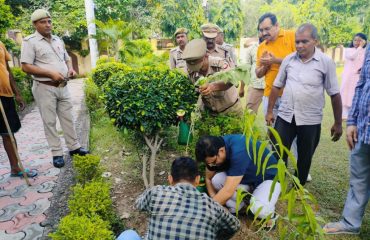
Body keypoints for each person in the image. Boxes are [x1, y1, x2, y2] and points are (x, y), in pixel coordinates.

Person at [265, 23, 343, 185]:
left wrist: (337, 123)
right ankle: (274, 184)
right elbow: (276, 86)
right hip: (286, 116)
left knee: (305, 156)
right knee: (278, 153)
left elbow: (334, 94)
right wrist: (270, 111)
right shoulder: (288, 60)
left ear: (315, 41)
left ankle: (298, 188)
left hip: (310, 119)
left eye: (304, 41)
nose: (299, 45)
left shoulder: (325, 62)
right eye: (297, 41)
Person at [20, 9, 88, 168]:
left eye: (49, 21)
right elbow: (25, 66)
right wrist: (50, 73)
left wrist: (70, 69)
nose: (47, 24)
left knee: (68, 118)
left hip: (63, 86)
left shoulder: (58, 39)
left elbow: (67, 58)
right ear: (35, 24)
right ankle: (57, 153)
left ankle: (74, 147)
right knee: (49, 122)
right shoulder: (30, 42)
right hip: (44, 87)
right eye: (43, 22)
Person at [117, 157, 240, 240]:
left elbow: (138, 204)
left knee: (129, 235)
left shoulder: (155, 193)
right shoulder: (213, 207)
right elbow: (235, 226)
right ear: (197, 180)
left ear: (170, 179)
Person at [323, 45, 370, 235]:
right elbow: (362, 84)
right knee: (359, 178)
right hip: (363, 127)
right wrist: (351, 121)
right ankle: (351, 222)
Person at [195, 134, 281, 219]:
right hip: (246, 180)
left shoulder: (239, 151)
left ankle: (271, 215)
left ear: (221, 151)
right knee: (216, 180)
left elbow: (228, 191)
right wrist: (213, 198)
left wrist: (206, 211)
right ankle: (242, 206)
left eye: (214, 162)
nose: (212, 165)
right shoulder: (212, 150)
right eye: (209, 163)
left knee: (259, 210)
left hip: (268, 180)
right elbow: (208, 178)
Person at [0, 41, 37, 178]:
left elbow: (7, 70)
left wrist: (17, 93)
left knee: (8, 133)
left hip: (5, 95)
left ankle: (15, 168)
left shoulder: (0, 44)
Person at [182, 39, 242, 116]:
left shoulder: (220, 64)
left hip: (231, 110)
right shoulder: (190, 72)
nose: (198, 70)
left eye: (199, 66)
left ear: (206, 55)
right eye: (193, 67)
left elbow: (231, 80)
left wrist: (213, 86)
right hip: (210, 113)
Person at [255, 13, 296, 117]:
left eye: (267, 29)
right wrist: (265, 66)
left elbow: (301, 62)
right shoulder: (261, 47)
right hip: (269, 96)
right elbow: (258, 74)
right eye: (261, 30)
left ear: (277, 25)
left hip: (290, 95)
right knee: (271, 131)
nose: (264, 33)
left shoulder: (291, 36)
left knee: (289, 132)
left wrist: (275, 60)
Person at [340, 33, 367, 120]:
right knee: (345, 93)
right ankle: (344, 114)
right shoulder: (349, 50)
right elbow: (352, 57)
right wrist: (360, 47)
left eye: (359, 41)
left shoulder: (366, 51)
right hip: (348, 76)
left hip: (358, 76)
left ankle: (354, 114)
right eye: (355, 40)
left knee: (354, 93)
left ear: (364, 42)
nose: (356, 42)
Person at [239, 37, 265, 113]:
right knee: (249, 113)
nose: (264, 33)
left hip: (272, 87)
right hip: (255, 86)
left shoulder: (275, 47)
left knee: (273, 115)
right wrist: (241, 88)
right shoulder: (251, 49)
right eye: (261, 30)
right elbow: (245, 70)